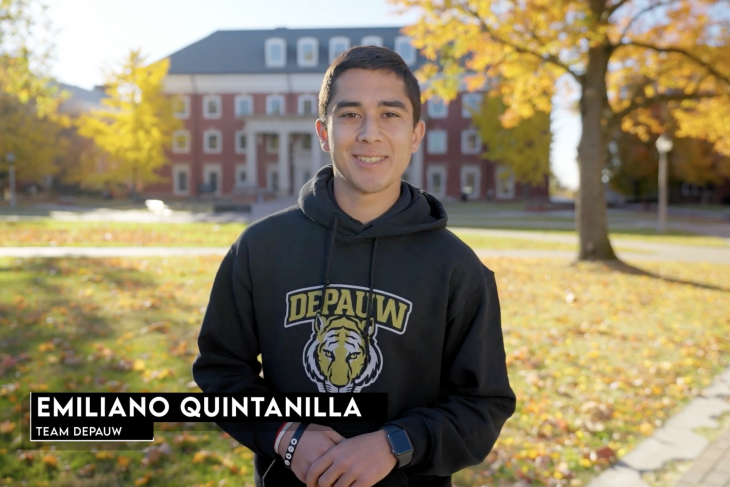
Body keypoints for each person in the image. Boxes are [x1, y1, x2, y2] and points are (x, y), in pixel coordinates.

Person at [192, 45, 516, 487]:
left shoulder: (457, 268)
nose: (369, 133)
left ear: (416, 134)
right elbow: (220, 372)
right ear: (323, 133)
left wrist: (395, 444)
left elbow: (483, 406)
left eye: (390, 114)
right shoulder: (259, 248)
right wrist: (285, 434)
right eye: (349, 115)